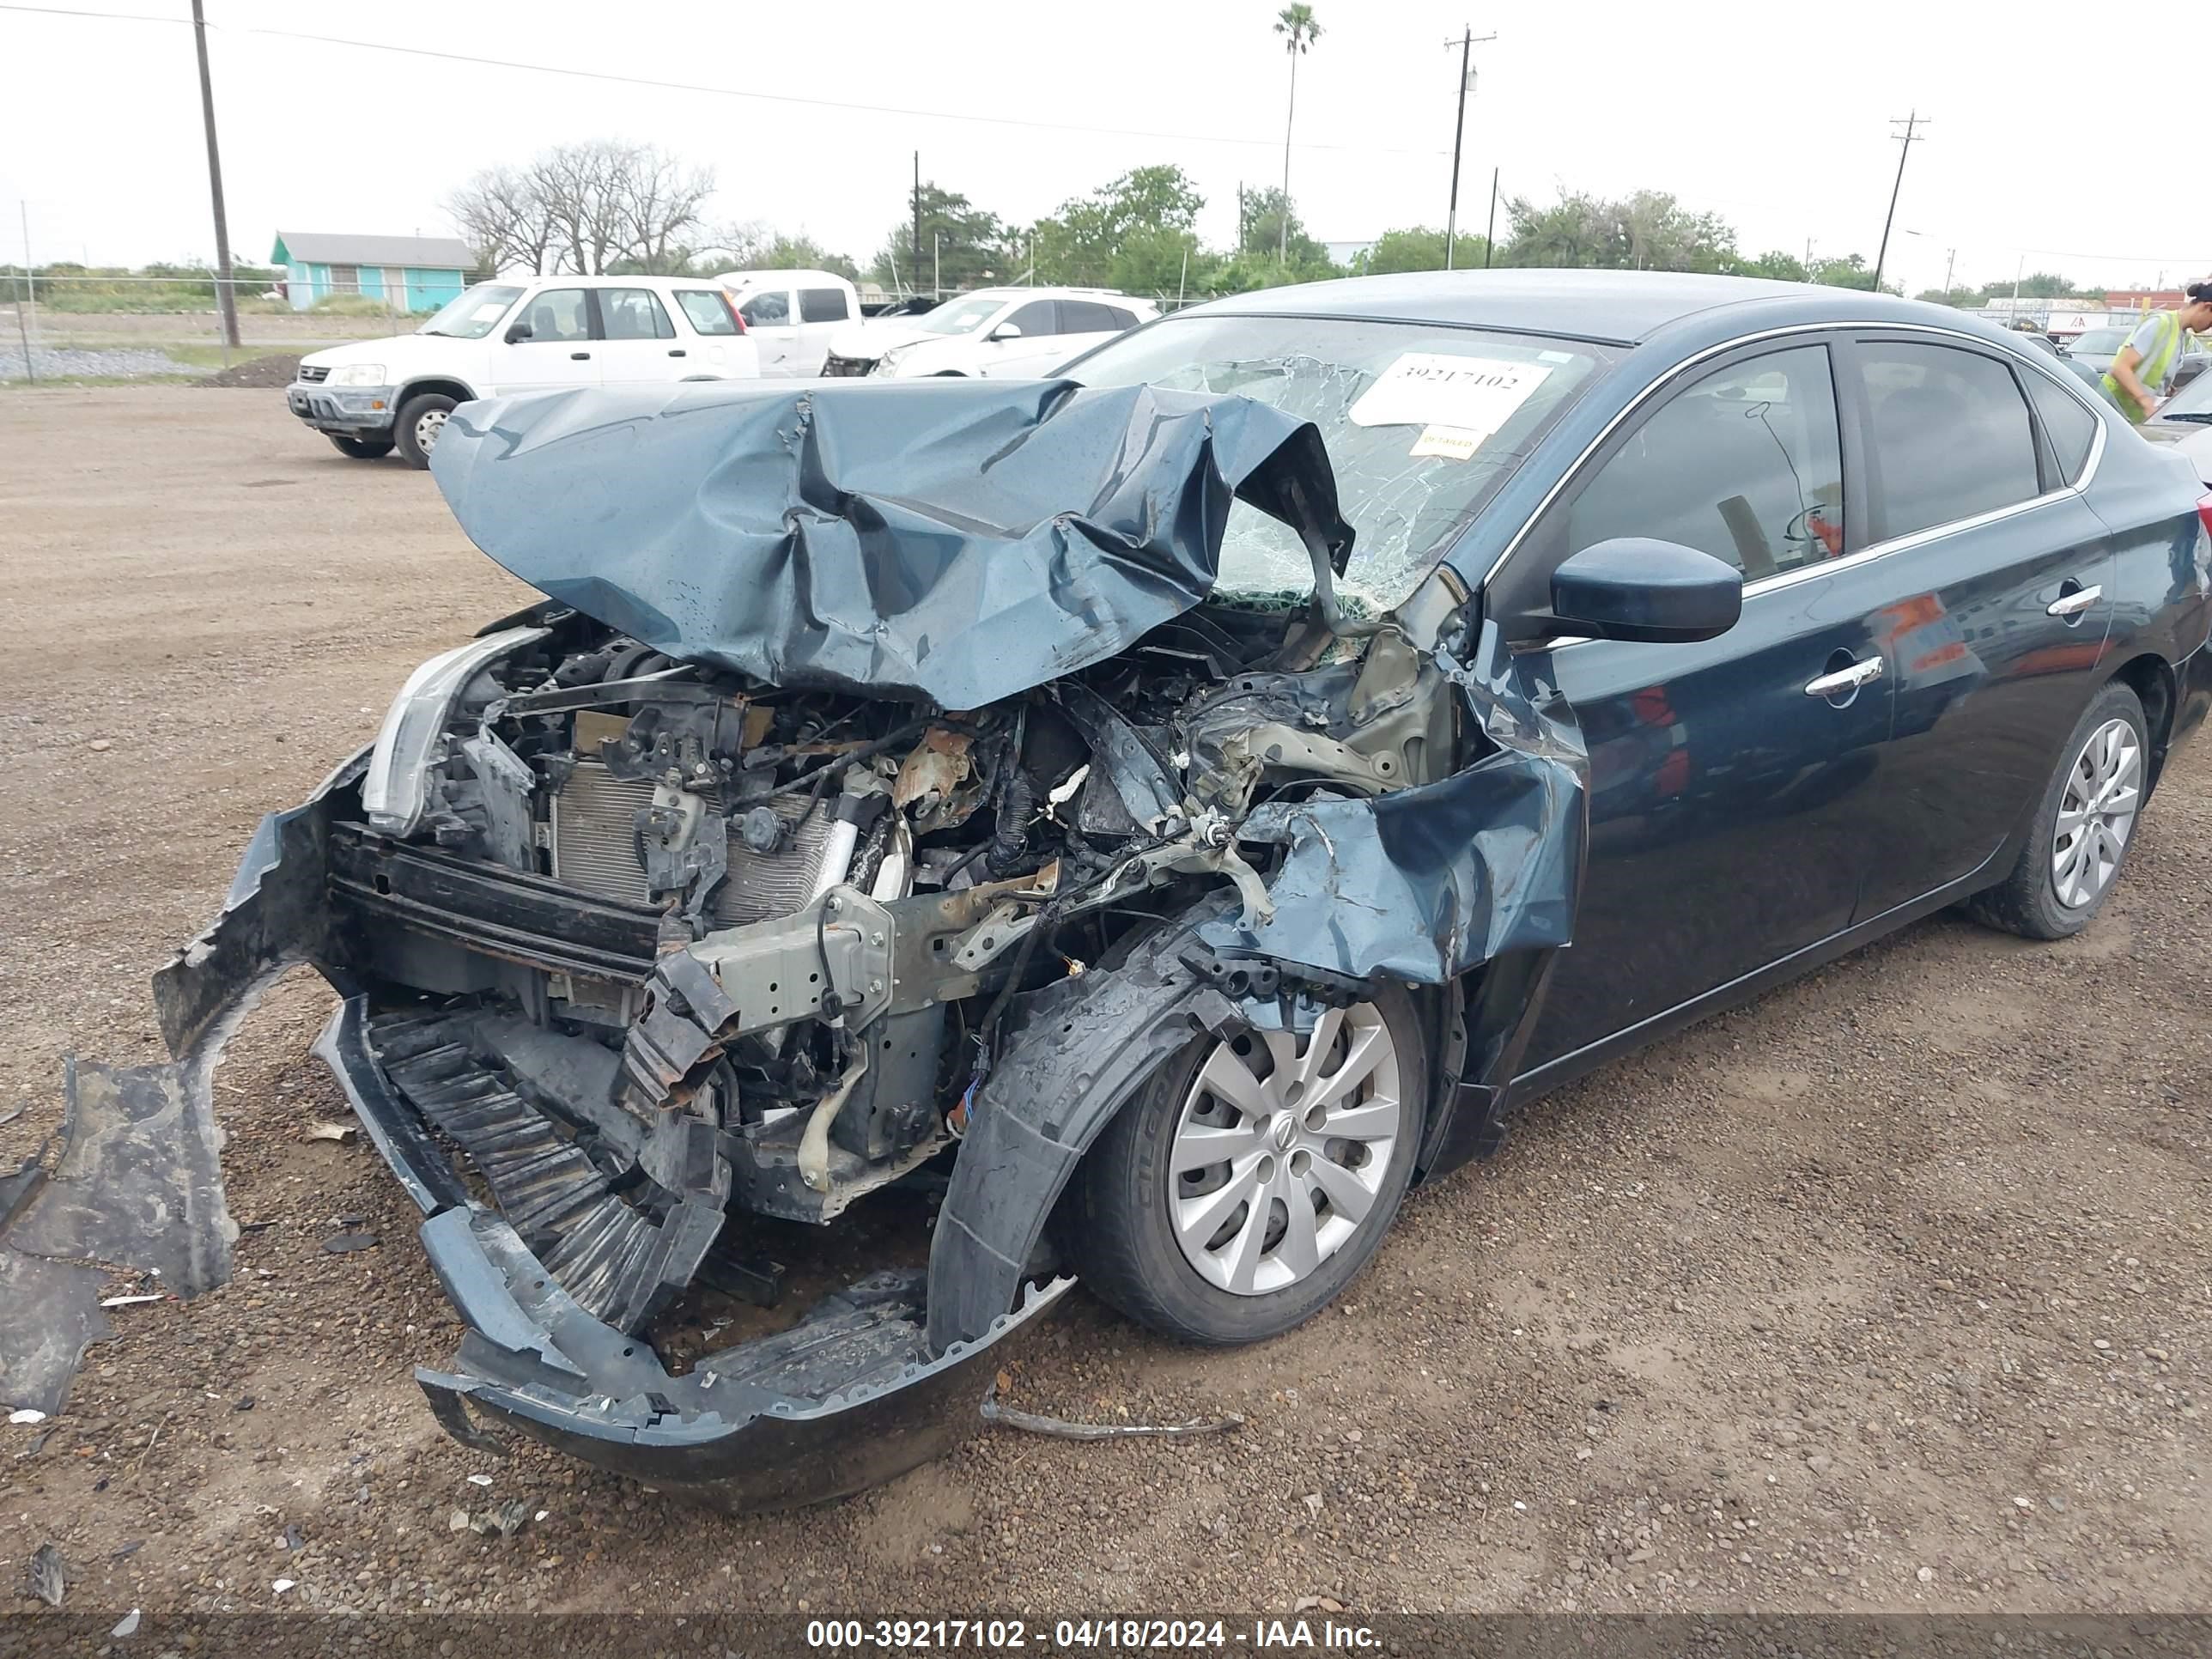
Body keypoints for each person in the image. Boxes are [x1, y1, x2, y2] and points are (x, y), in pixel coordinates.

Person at [2101, 283, 2212, 423]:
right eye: (2211, 322)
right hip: (2112, 411)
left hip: (2133, 419)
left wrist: (2166, 390)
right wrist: (2145, 400)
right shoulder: (2160, 323)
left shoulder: (2184, 338)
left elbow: (2152, 372)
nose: (2209, 327)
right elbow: (2120, 368)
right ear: (2207, 307)